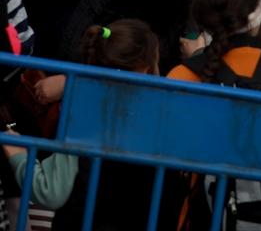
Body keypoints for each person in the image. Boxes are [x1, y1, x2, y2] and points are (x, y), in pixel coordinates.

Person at [4, 20, 162, 229]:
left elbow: (50, 191)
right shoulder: (164, 117)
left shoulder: (86, 112)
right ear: (146, 69)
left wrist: (18, 153)